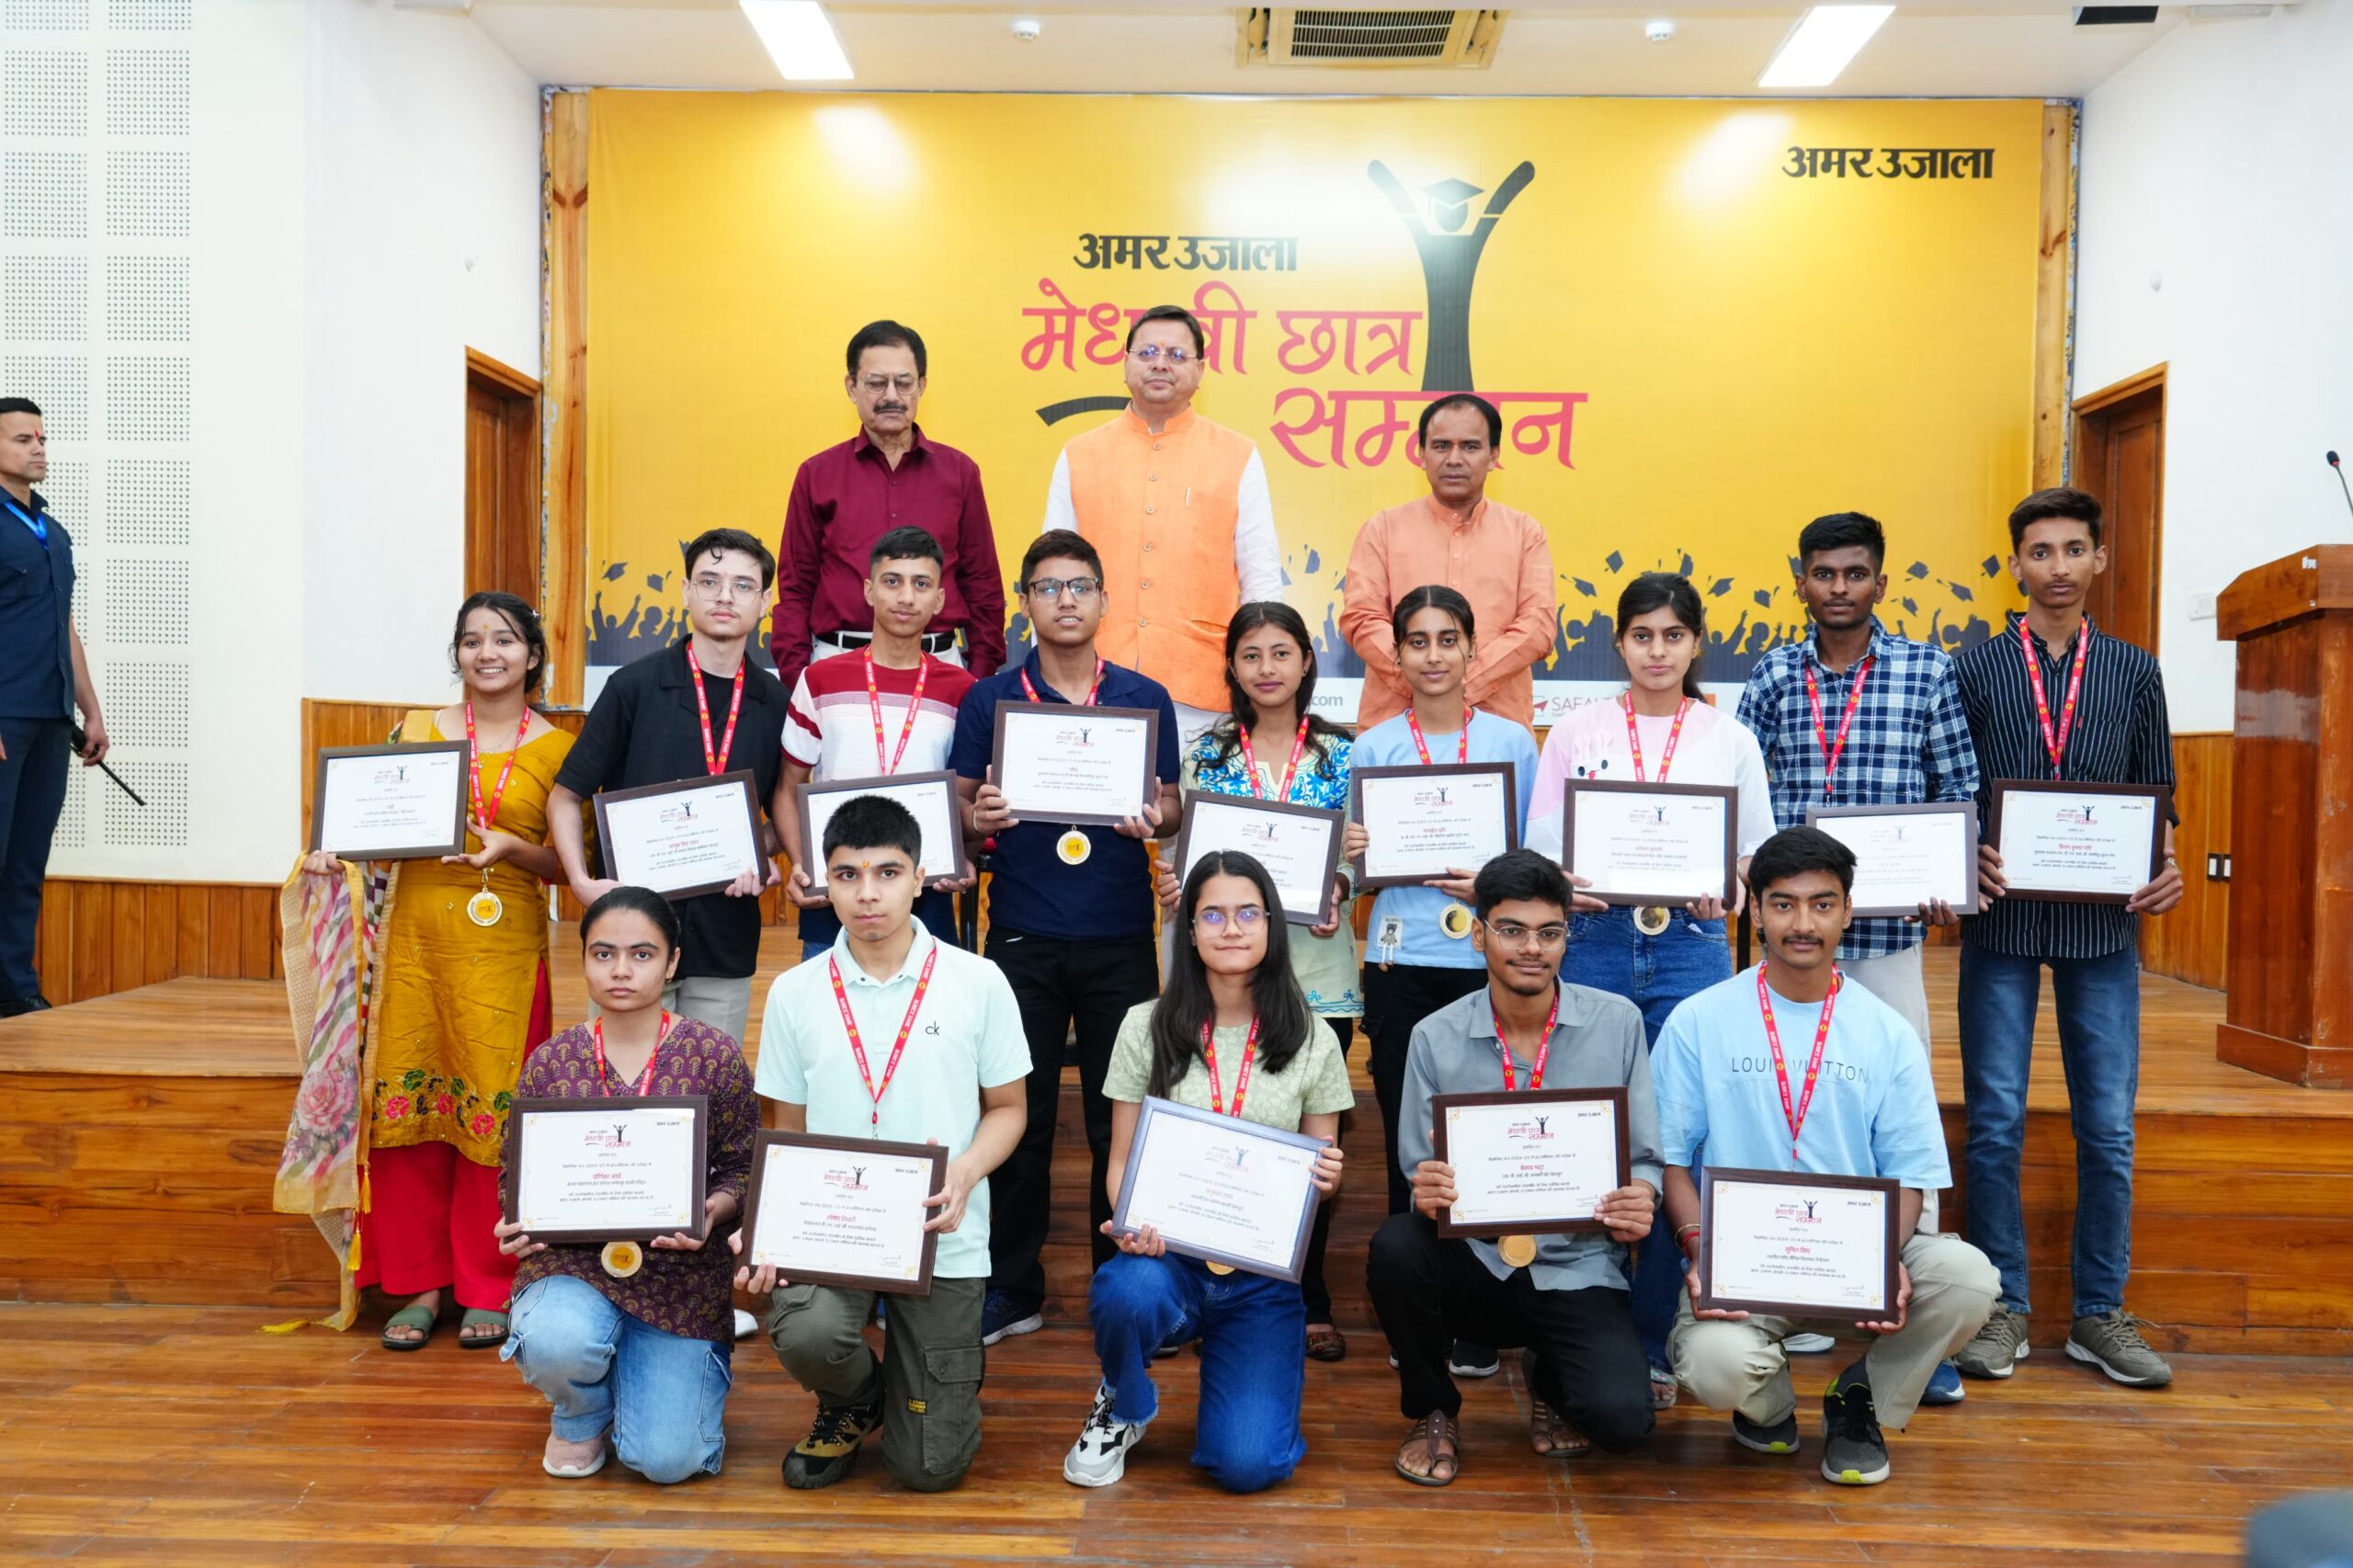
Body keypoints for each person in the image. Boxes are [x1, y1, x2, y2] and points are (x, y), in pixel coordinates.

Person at [1654, 828, 1999, 1488]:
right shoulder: (1700, 1020)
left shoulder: (1886, 1031)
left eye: (1821, 904)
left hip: (1856, 1259)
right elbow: (1671, 1161)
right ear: (1756, 913)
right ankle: (1768, 1404)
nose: (1803, 924)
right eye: (1783, 905)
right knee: (1715, 1363)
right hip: (1745, 1263)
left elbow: (1911, 1175)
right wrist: (1701, 1250)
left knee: (1968, 1279)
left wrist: (1883, 1258)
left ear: (1847, 911)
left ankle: (1860, 1399)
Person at [286, 592, 575, 1349]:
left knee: (493, 1118)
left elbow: (568, 866)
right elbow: (368, 825)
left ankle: (489, 1285)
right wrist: (332, 849)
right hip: (411, 948)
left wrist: (511, 849)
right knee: (406, 1115)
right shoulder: (415, 732)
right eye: (472, 640)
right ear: (457, 654)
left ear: (533, 655)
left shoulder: (559, 750)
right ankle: (416, 1284)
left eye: (504, 639)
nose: (488, 653)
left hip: (503, 952)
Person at [1733, 511, 1978, 1386]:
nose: (1839, 588)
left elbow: (1959, 786)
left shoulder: (1925, 670)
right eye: (1823, 573)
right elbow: (1744, 797)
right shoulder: (1772, 675)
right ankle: (1791, 1290)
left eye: (1855, 572)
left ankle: (1920, 1324)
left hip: (1885, 937)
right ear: (1800, 580)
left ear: (1881, 580)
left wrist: (1948, 876)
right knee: (1785, 1111)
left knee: (1903, 1120)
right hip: (1788, 943)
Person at [1949, 486, 2184, 1389]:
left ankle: (2098, 1312)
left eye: (2072, 549)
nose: (2056, 566)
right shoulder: (1973, 669)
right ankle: (2002, 1307)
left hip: (2103, 927)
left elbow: (2158, 794)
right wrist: (1963, 851)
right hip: (2001, 919)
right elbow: (1951, 789)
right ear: (2015, 564)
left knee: (2109, 1127)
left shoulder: (2133, 671)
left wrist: (2165, 865)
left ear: (2098, 558)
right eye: (2039, 551)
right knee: (1995, 1122)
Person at [1524, 571, 1776, 1406]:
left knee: (1678, 1138)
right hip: (1594, 941)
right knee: (1584, 1125)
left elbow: (1753, 855)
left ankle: (1651, 1334)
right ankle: (1568, 1321)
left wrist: (1729, 885)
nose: (1657, 651)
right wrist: (1567, 882)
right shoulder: (1576, 731)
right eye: (1642, 636)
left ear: (1696, 643)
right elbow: (1543, 847)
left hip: (1691, 948)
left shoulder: (1729, 738)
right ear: (1619, 644)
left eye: (1673, 635)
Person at [739, 795, 1029, 1491]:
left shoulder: (979, 980)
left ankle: (918, 1393)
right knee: (808, 1331)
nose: (867, 893)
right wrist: (769, 1227)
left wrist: (966, 1173)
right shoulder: (794, 992)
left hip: (941, 1230)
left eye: (887, 872)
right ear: (824, 882)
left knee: (929, 1468)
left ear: (920, 877)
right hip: (832, 1232)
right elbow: (787, 1131)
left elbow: (1009, 1110)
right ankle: (855, 1398)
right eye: (847, 875)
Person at [1368, 849, 1662, 1485]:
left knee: (1621, 1422)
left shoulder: (1617, 1024)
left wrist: (1642, 1193)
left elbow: (1642, 1156)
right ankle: (1434, 1410)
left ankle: (1550, 1381)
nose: (1532, 948)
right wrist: (1429, 1188)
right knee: (1397, 1245)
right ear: (1478, 936)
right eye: (1511, 930)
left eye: (1549, 932)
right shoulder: (1434, 1036)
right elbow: (1417, 1167)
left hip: (1578, 1265)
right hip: (1475, 1263)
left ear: (1566, 938)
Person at [952, 530, 1181, 1346]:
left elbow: (1172, 804)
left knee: (1125, 1117)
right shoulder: (990, 700)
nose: (1066, 600)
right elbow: (959, 808)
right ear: (1026, 602)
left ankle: (1125, 1284)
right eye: (1048, 587)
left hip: (1121, 936)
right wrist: (977, 815)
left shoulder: (1144, 696)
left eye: (1080, 585)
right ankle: (1014, 1287)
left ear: (1104, 599)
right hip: (1022, 936)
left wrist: (1156, 814)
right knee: (1023, 1115)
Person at [1064, 851, 1352, 1492]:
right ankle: (1124, 1402)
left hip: (1261, 1278)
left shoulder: (1314, 1038)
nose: (1232, 928)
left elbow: (1320, 1163)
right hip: (1166, 1258)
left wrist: (1326, 1179)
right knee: (1126, 1291)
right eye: (1213, 915)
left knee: (1249, 1466)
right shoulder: (1144, 1026)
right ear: (1189, 930)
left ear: (1272, 924)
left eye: (1248, 913)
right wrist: (1133, 1224)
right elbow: (1120, 1157)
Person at [494, 887, 758, 1484]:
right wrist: (516, 1219)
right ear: (584, 959)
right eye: (603, 953)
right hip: (574, 1264)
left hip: (678, 1276)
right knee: (557, 1338)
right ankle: (581, 1410)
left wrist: (711, 1212)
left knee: (668, 1462)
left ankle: (644, 1377)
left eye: (642, 954)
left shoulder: (713, 1055)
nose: (620, 970)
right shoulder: (550, 1062)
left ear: (672, 962)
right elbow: (516, 1174)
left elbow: (743, 1169)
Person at [1344, 584, 1539, 1382]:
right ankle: (1415, 1308)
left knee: (1488, 1140)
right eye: (1417, 641)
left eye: (1447, 639)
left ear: (1471, 649)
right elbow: (1354, 873)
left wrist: (1492, 882)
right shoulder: (1373, 748)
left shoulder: (1513, 742)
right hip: (1401, 965)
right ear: (1397, 655)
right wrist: (1355, 855)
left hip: (1490, 970)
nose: (1432, 656)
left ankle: (1484, 1311)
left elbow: (1530, 861)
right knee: (1409, 1143)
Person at [1154, 601, 1359, 1360]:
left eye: (1281, 652)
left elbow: (1362, 856)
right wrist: (1174, 884)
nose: (1267, 668)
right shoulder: (1206, 755)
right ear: (1233, 668)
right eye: (1251, 655)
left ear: (1307, 660)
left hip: (1315, 974)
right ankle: (1203, 1287)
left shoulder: (1344, 754)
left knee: (1311, 1146)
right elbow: (1186, 860)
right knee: (1212, 1131)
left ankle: (1304, 1292)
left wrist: (1342, 883)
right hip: (1220, 977)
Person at [549, 528, 787, 1048]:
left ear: (765, 601)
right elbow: (565, 795)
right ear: (685, 591)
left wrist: (759, 853)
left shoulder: (776, 701)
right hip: (630, 929)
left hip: (724, 930)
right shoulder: (632, 687)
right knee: (622, 1080)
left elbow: (779, 813)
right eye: (710, 581)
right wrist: (581, 883)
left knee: (709, 1083)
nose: (725, 596)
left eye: (743, 585)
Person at [1041, 304, 1281, 742]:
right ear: (1125, 363)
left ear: (1200, 370)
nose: (1159, 363)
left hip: (1201, 690)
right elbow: (1050, 575)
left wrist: (1260, 671)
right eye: (1148, 352)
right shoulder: (1079, 454)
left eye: (1176, 355)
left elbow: (1260, 577)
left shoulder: (1238, 455)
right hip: (1093, 683)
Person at [770, 320, 1006, 692]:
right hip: (837, 666)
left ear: (922, 386)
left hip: (939, 670)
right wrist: (799, 677)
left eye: (904, 383)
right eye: (877, 383)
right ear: (852, 387)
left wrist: (977, 679)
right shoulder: (817, 474)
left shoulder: (960, 473)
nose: (891, 396)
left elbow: (983, 584)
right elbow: (796, 588)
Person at [774, 526, 978, 953]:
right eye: (892, 581)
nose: (906, 597)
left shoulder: (962, 689)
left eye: (921, 584)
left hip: (927, 892)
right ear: (869, 591)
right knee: (830, 999)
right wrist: (804, 864)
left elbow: (967, 796)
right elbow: (788, 787)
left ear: (939, 599)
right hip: (835, 893)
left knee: (930, 999)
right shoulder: (819, 680)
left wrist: (966, 855)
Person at [1339, 393, 1557, 733]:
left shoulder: (1525, 533)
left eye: (1470, 446)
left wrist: (1458, 684)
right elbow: (1362, 619)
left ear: (1493, 456)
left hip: (1496, 730)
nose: (1454, 459)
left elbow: (1537, 626)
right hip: (1394, 730)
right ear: (1422, 454)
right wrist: (1424, 678)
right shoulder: (1381, 529)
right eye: (1441, 446)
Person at [0, 396, 107, 1017]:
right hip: (5, 716)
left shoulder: (52, 531)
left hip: (49, 720)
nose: (39, 448)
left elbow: (64, 626)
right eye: (22, 439)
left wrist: (90, 710)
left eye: (41, 438)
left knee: (25, 862)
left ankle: (14, 991)